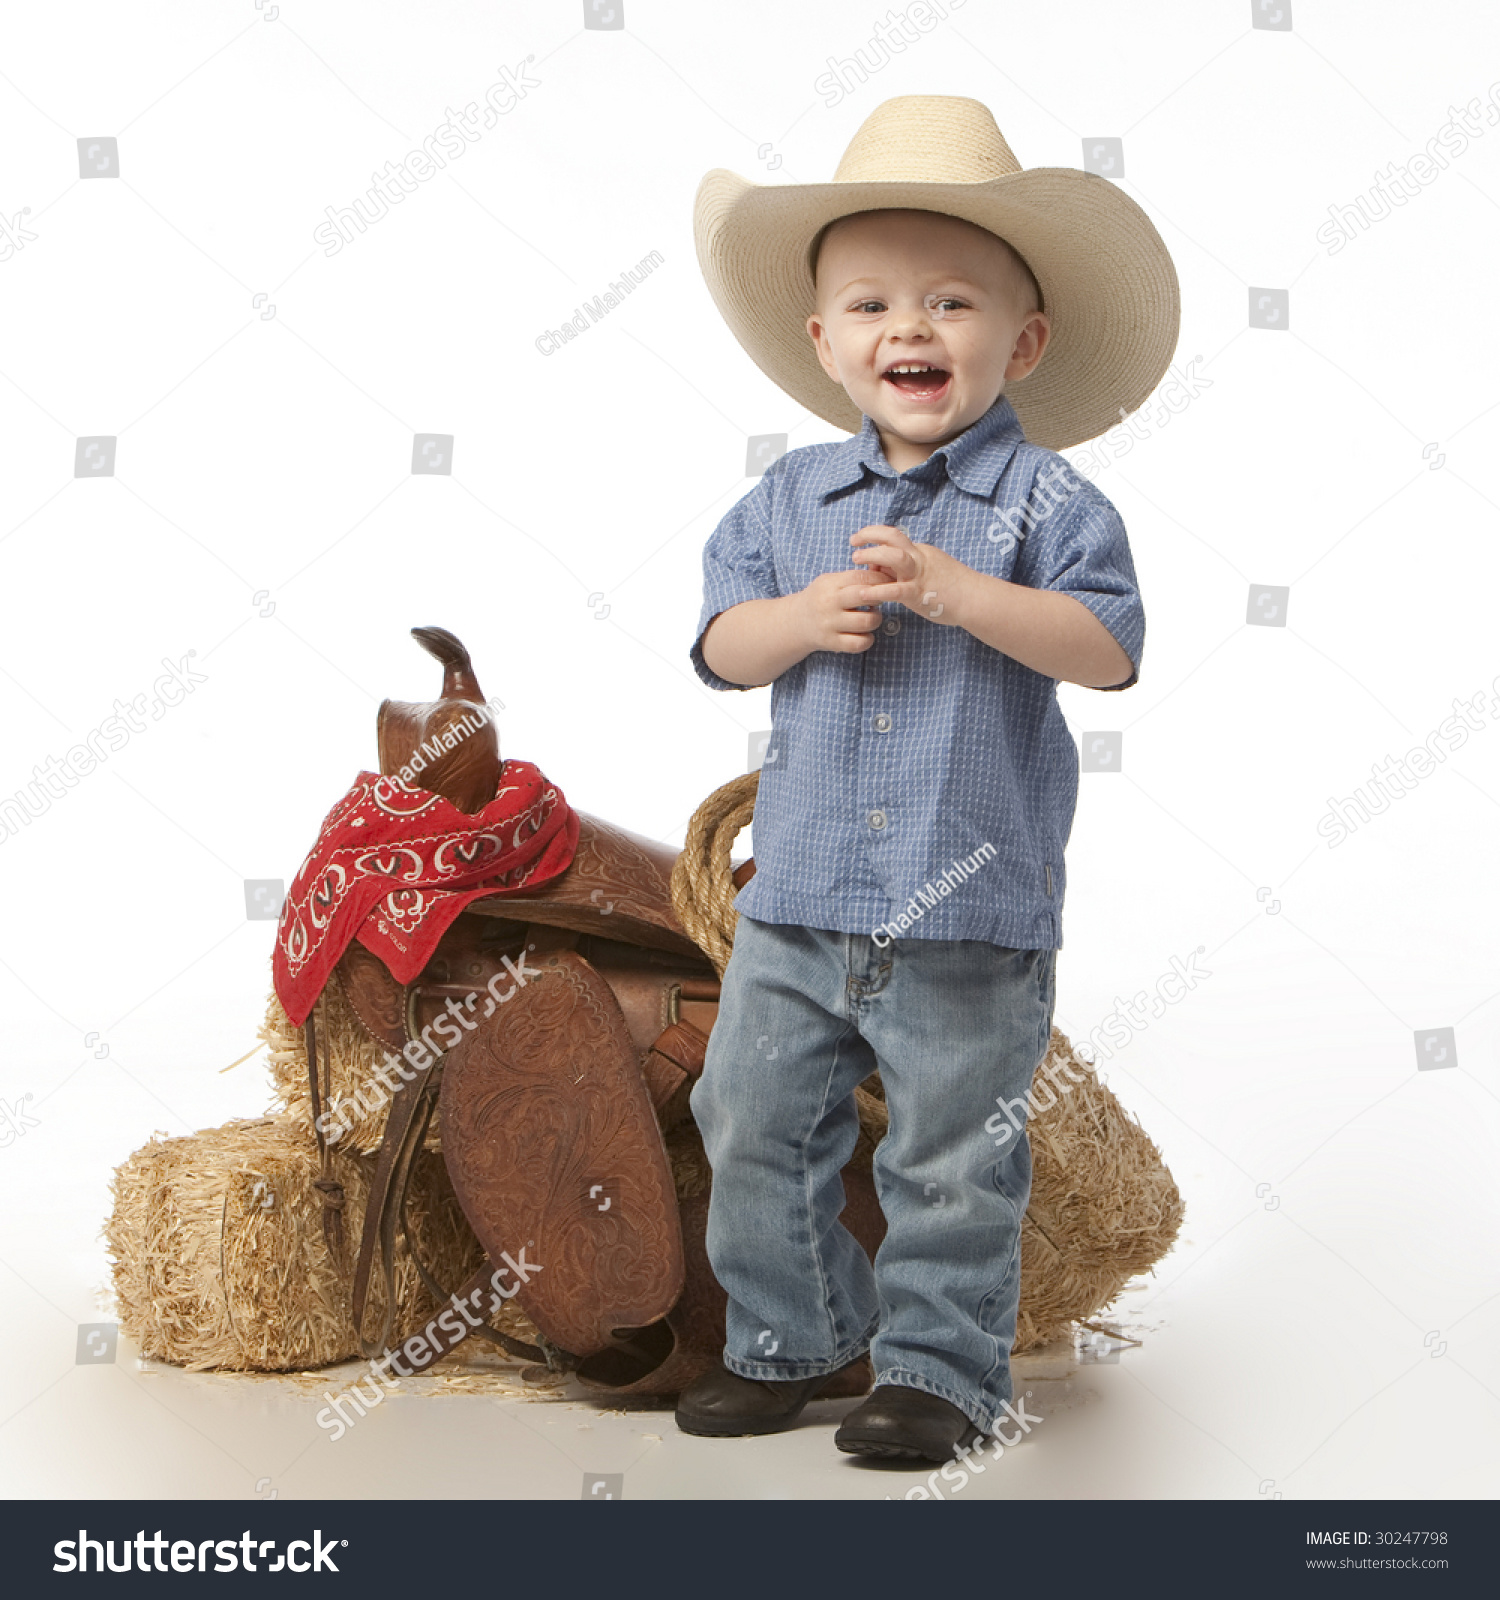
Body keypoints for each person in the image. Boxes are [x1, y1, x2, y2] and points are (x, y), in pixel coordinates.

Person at [676, 95, 1179, 1462]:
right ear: (824, 339)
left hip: (967, 905)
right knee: (752, 1113)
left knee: (951, 1153)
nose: (911, 329)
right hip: (806, 894)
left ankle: (941, 1374)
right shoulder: (785, 507)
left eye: (952, 302)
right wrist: (798, 621)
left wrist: (962, 593)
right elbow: (721, 645)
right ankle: (794, 1339)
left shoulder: (1050, 504)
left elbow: (1110, 648)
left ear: (1021, 343)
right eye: (874, 303)